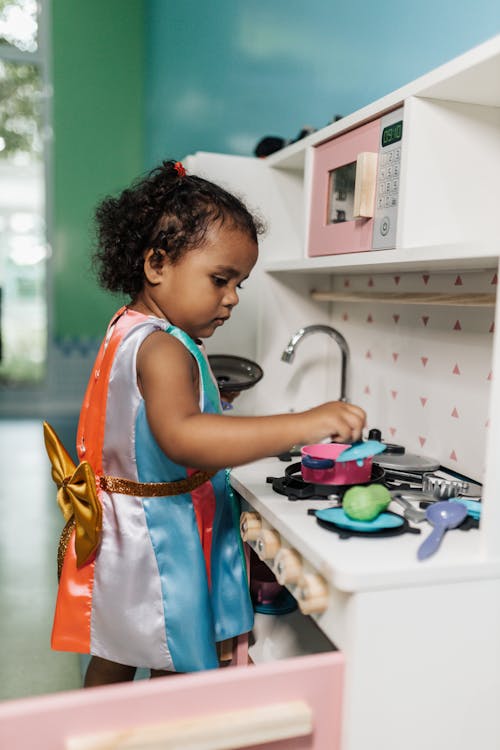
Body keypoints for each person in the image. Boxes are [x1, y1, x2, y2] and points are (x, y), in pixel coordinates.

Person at [47, 160, 366, 687]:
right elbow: (183, 437)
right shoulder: (163, 347)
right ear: (157, 264)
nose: (234, 297)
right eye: (221, 279)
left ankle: (93, 733)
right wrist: (302, 423)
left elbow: (143, 424)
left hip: (125, 527)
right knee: (176, 655)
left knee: (117, 648)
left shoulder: (130, 327)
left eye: (239, 282)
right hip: (159, 539)